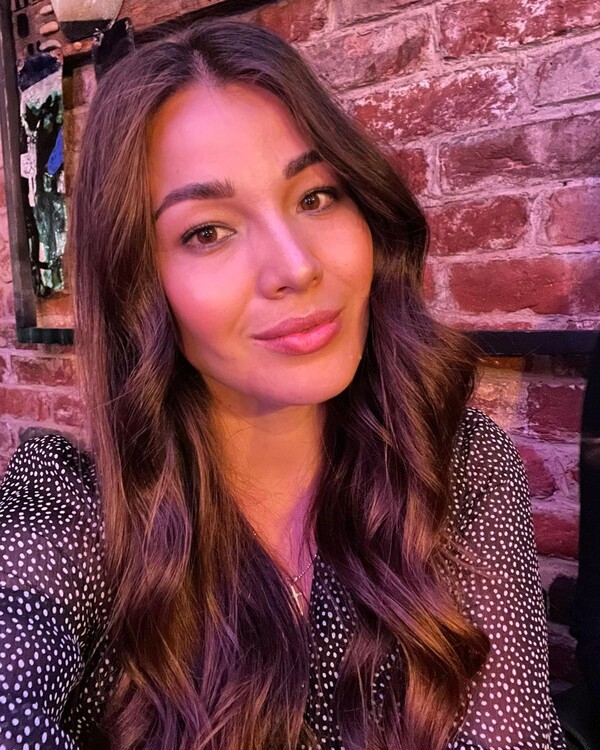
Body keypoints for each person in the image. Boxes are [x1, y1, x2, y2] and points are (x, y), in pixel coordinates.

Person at [0, 18, 566, 750]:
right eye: (207, 231)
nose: (296, 266)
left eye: (317, 196)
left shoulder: (454, 469)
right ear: (139, 284)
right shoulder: (74, 514)